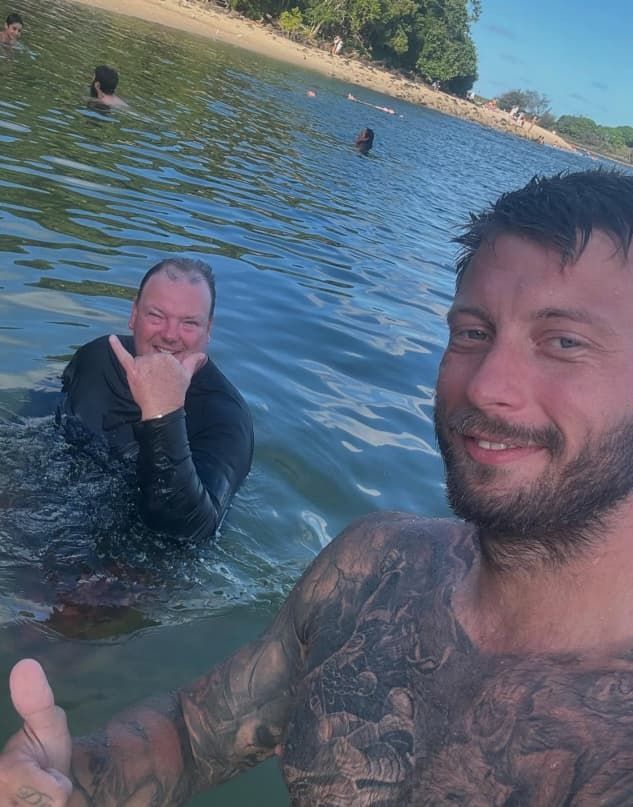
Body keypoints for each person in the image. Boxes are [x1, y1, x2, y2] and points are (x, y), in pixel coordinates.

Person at [5, 169, 633, 804]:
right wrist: (71, 781)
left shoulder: (223, 415)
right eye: (473, 332)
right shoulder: (374, 568)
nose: (489, 385)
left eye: (564, 341)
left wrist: (163, 419)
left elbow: (190, 526)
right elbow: (193, 735)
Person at [56, 257, 253, 543]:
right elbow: (49, 413)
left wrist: (164, 413)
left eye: (189, 323)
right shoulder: (96, 358)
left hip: (138, 560)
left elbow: (191, 531)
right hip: (57, 508)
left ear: (208, 328)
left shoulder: (227, 416)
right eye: (156, 316)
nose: (170, 335)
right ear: (134, 314)